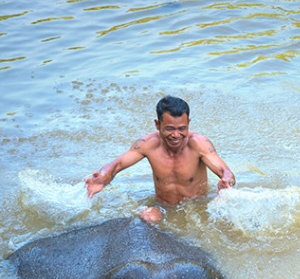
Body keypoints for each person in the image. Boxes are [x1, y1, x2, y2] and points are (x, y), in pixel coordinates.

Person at [85, 95, 236, 223]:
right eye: (170, 128)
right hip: (163, 206)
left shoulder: (199, 144)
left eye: (182, 128)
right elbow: (116, 165)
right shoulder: (148, 144)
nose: (176, 135)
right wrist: (103, 178)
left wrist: (226, 182)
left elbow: (225, 172)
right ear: (157, 124)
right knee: (147, 218)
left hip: (196, 206)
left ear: (188, 123)